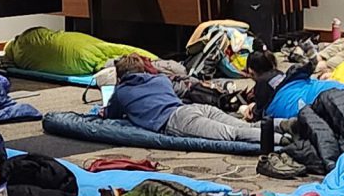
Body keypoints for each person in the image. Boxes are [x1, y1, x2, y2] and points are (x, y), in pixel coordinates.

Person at [106, 54, 261, 147]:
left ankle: (282, 141)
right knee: (245, 125)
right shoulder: (161, 79)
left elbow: (110, 113)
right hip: (195, 108)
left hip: (176, 120)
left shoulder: (121, 91)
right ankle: (282, 126)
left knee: (234, 134)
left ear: (120, 77)